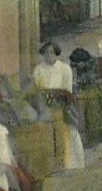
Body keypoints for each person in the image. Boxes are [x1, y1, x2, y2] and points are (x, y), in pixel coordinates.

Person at [32, 41, 85, 170]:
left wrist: (59, 98)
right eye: (46, 53)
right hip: (44, 104)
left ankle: (70, 162)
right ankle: (49, 162)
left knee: (68, 129)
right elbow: (36, 89)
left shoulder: (64, 68)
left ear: (57, 53)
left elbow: (68, 90)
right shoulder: (38, 69)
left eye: (52, 52)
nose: (49, 56)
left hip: (63, 103)